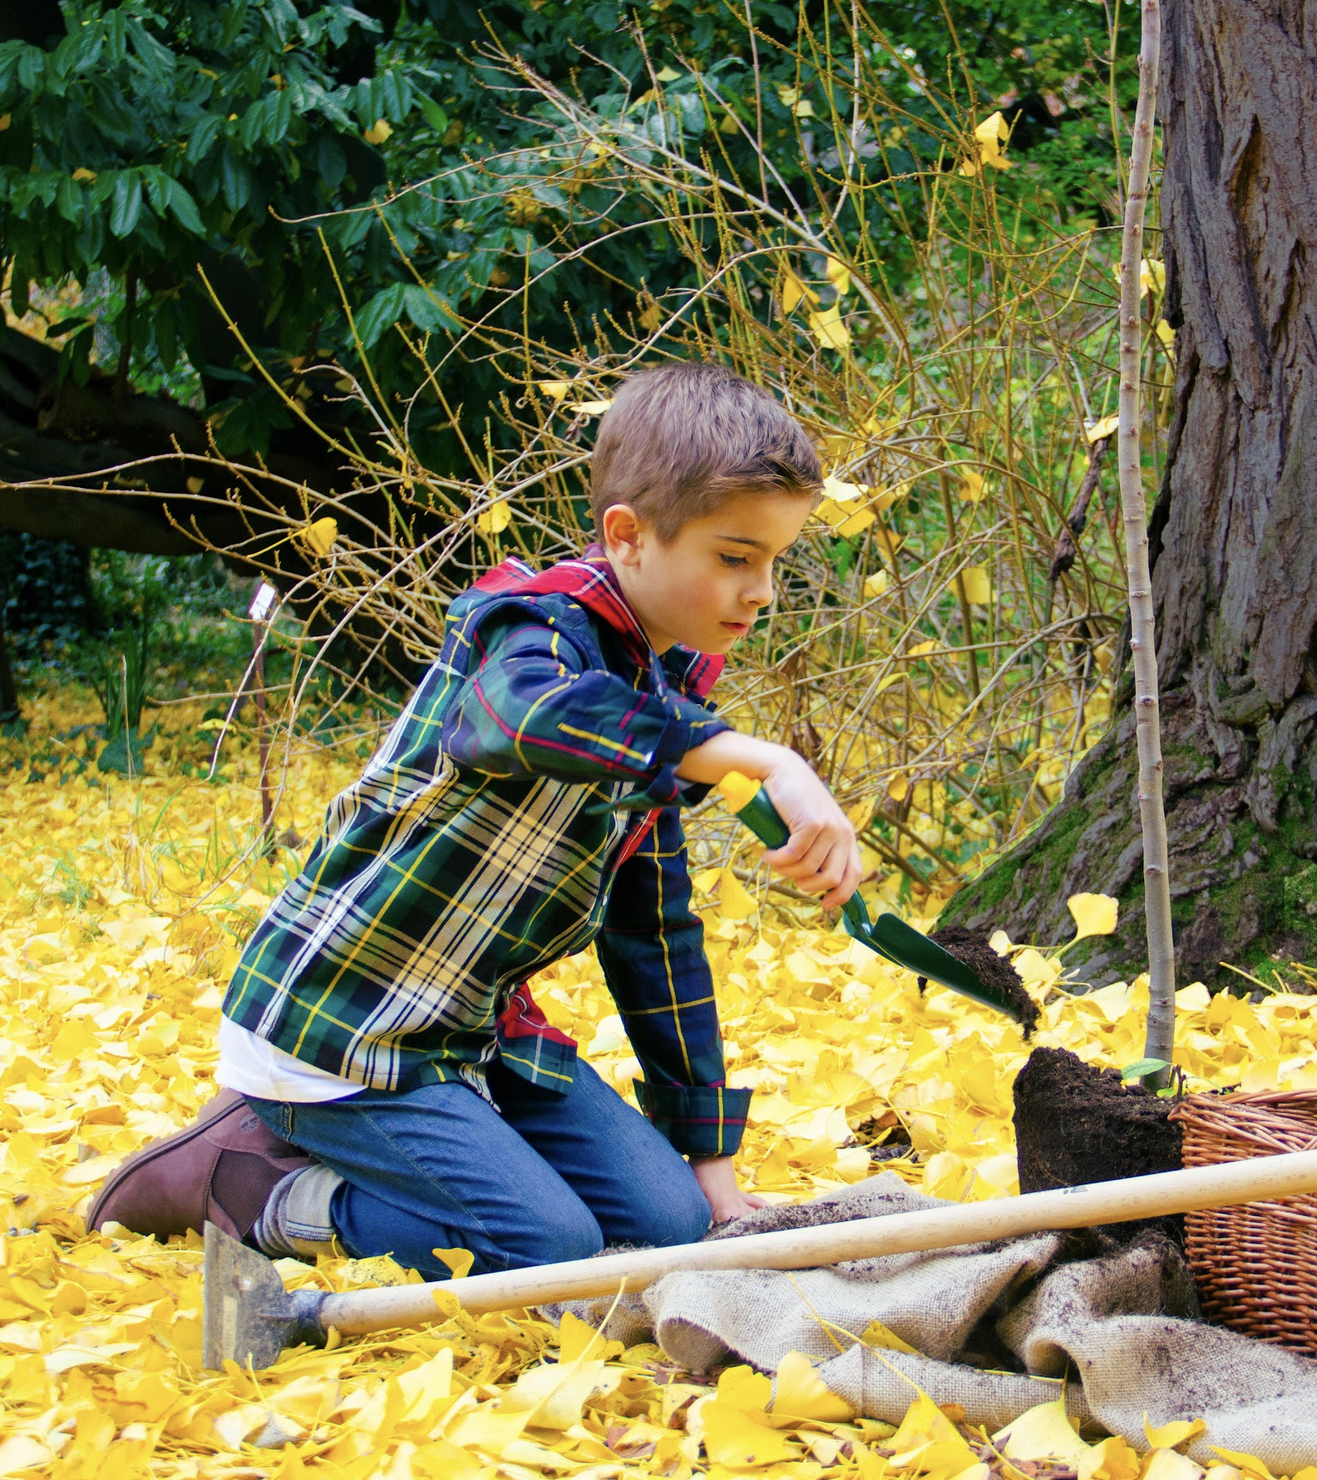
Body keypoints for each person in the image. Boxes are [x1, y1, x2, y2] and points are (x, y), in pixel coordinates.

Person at [88, 363, 861, 1278]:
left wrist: (709, 1160)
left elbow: (655, 936)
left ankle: (448, 1146)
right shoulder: (530, 629)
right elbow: (519, 718)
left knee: (671, 1223)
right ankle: (246, 1179)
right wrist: (765, 758)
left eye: (774, 561)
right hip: (338, 1024)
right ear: (628, 536)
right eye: (735, 557)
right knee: (547, 1245)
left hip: (468, 1032)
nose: (763, 590)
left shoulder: (666, 704)